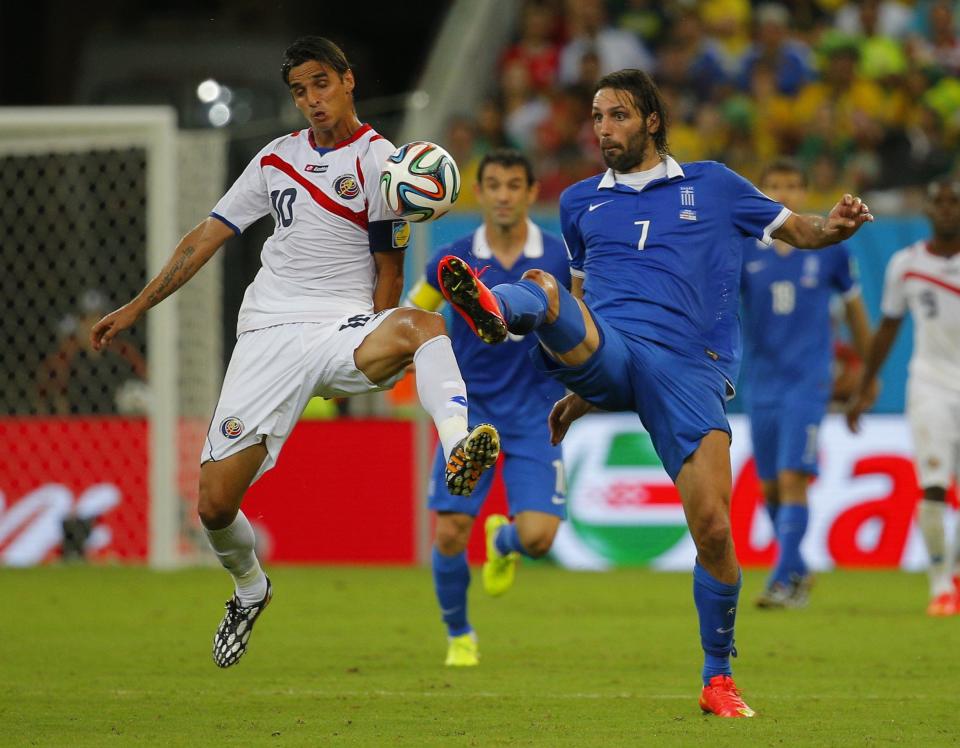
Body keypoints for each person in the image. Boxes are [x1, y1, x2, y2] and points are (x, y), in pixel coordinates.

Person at [436, 69, 873, 717]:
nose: (603, 128)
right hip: (608, 345)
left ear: (651, 121)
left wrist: (835, 225)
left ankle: (717, 678)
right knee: (549, 290)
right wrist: (584, 381)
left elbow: (799, 232)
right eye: (596, 116)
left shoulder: (716, 186)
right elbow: (582, 297)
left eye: (616, 115)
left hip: (691, 368)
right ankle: (496, 309)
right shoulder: (582, 202)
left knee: (716, 529)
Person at [89, 36, 501, 668]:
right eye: (300, 90)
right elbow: (208, 236)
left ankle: (457, 449)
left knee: (423, 325)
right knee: (214, 503)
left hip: (342, 326)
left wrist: (368, 337)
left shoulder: (385, 164)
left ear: (348, 80)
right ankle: (251, 588)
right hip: (267, 334)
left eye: (321, 84)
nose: (311, 100)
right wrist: (138, 306)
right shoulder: (275, 159)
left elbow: (387, 266)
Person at [406, 149, 570, 667]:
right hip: (468, 412)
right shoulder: (449, 258)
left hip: (536, 412)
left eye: (513, 185)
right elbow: (414, 314)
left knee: (540, 539)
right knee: (451, 532)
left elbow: (583, 319)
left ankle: (504, 543)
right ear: (480, 192)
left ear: (530, 192)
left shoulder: (560, 259)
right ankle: (459, 634)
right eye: (493, 184)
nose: (502, 194)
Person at [739, 159, 872, 609]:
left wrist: (867, 374)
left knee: (795, 478)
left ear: (805, 191)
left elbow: (855, 311)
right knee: (771, 487)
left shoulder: (829, 246)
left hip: (808, 382)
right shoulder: (745, 249)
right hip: (761, 385)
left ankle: (781, 580)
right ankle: (796, 570)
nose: (783, 194)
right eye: (774, 185)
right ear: (762, 191)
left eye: (792, 186)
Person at [848, 179, 960, 616]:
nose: (947, 210)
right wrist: (863, 388)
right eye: (940, 203)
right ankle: (939, 586)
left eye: (955, 203)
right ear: (927, 212)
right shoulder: (906, 264)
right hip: (929, 384)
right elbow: (888, 329)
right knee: (933, 485)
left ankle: (952, 573)